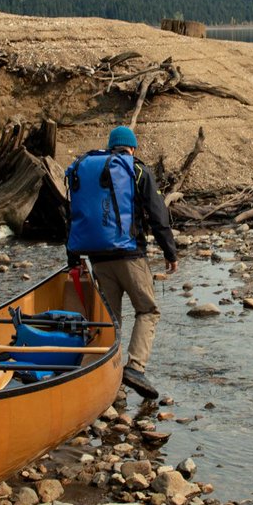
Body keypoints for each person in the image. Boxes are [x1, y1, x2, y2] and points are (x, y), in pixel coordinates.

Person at [67, 125, 177, 400]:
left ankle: (109, 385)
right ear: (132, 148)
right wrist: (170, 252)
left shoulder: (87, 169)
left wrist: (73, 259)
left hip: (97, 258)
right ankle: (135, 368)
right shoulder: (136, 169)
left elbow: (74, 215)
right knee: (148, 310)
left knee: (110, 320)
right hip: (130, 256)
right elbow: (157, 214)